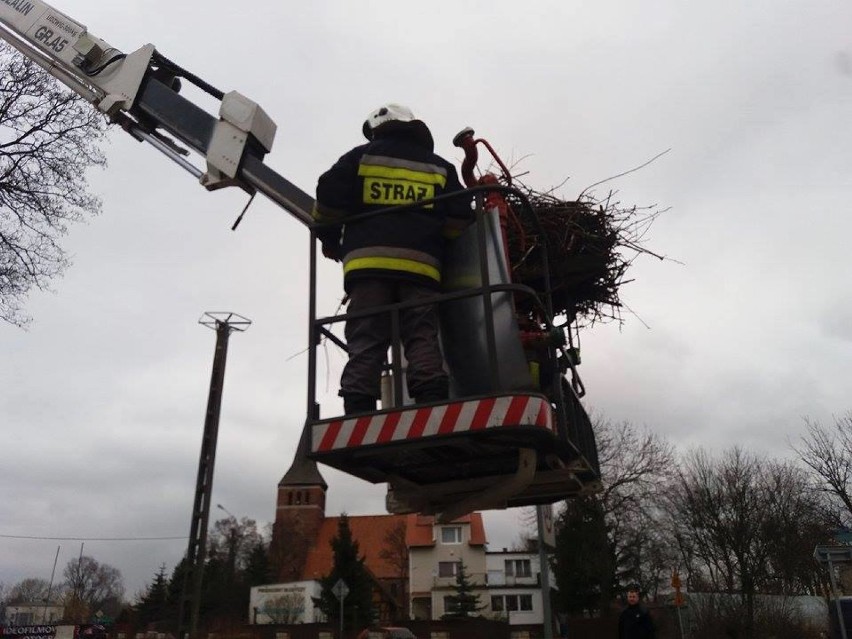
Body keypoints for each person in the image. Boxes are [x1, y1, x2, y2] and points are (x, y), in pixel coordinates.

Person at [313, 103, 472, 415]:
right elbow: (461, 217)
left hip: (367, 268)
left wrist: (331, 241)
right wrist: (436, 242)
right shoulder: (440, 168)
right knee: (421, 334)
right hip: (421, 269)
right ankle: (431, 398)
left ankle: (358, 405)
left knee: (367, 336)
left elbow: (328, 200)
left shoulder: (358, 158)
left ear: (375, 130)